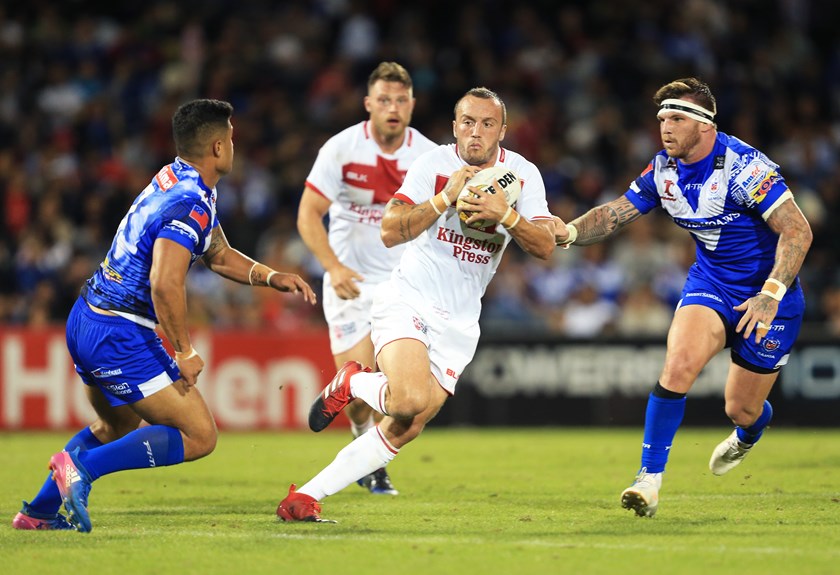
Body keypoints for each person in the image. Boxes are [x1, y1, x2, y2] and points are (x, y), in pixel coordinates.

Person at [12, 99, 316, 532]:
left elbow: (219, 254)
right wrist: (184, 350)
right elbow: (164, 282)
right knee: (199, 435)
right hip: (119, 329)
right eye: (230, 136)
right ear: (216, 147)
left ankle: (37, 513)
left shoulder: (178, 178)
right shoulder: (189, 202)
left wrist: (271, 277)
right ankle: (81, 470)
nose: (235, 142)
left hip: (87, 316)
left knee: (115, 424)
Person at [276, 87, 558, 522]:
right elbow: (390, 229)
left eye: (487, 124)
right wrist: (445, 198)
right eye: (467, 122)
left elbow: (544, 246)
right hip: (410, 296)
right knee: (406, 399)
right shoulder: (434, 164)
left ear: (503, 130)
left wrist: (505, 214)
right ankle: (353, 383)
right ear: (454, 126)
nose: (475, 132)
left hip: (461, 321)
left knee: (408, 424)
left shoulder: (523, 175)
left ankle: (306, 497)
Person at [553, 77, 812, 517]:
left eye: (676, 118)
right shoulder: (663, 170)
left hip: (770, 296)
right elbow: (615, 214)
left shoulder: (744, 167)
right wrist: (570, 231)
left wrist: (770, 294)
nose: (665, 128)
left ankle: (749, 433)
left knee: (742, 408)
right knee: (678, 364)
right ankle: (648, 481)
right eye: (661, 119)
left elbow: (797, 229)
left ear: (705, 126)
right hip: (710, 286)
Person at [296, 61, 436, 495]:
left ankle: (372, 466)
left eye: (400, 100)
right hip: (351, 284)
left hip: (404, 286)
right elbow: (307, 215)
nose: (392, 108)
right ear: (368, 105)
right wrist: (332, 267)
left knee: (403, 393)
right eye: (384, 100)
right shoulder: (341, 148)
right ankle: (363, 445)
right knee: (357, 399)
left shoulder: (428, 156)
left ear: (412, 105)